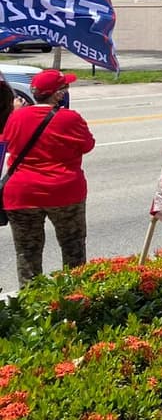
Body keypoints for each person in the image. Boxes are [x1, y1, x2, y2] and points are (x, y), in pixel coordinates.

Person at [1, 69, 94, 287]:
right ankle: (74, 296)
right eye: (65, 88)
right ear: (58, 94)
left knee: (27, 253)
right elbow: (87, 145)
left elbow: (7, 143)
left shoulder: (16, 117)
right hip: (63, 192)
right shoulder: (69, 118)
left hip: (22, 194)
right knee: (73, 248)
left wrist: (17, 113)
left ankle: (32, 300)